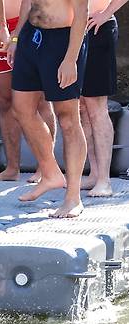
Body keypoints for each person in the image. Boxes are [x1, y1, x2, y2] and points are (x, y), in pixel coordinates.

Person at [6, 0, 88, 217]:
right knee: (21, 109)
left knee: (68, 119)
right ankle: (51, 172)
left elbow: (82, 11)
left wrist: (71, 59)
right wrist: (16, 35)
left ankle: (73, 198)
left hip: (62, 40)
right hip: (31, 37)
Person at [0, 0, 57, 182]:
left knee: (40, 100)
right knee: (5, 101)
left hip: (28, 24)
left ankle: (46, 168)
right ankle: (12, 168)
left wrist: (15, 35)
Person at [80, 0, 127, 197]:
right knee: (81, 105)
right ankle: (95, 173)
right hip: (74, 30)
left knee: (97, 106)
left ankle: (104, 180)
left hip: (99, 26)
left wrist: (106, 13)